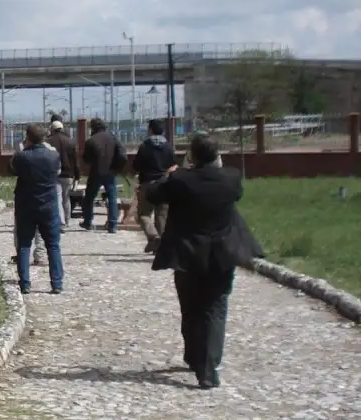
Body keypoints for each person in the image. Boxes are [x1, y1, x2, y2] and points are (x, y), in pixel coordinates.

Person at [143, 133, 264, 389]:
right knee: (216, 308)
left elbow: (153, 194)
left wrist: (171, 174)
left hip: (188, 253)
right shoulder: (231, 178)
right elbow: (236, 195)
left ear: (192, 155)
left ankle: (197, 360)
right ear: (218, 154)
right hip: (222, 252)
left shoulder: (181, 179)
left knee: (190, 307)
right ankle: (208, 365)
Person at [9, 123, 64, 294]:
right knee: (53, 245)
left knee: (25, 245)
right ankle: (57, 283)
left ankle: (25, 283)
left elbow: (11, 169)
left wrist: (24, 149)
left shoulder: (22, 156)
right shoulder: (53, 156)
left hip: (26, 206)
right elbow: (58, 172)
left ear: (28, 137)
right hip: (48, 206)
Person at [132, 118, 178, 253]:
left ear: (150, 130)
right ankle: (162, 246)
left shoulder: (145, 146)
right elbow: (173, 164)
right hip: (165, 183)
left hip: (148, 183)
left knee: (143, 214)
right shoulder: (168, 146)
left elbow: (136, 165)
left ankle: (153, 237)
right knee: (161, 215)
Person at [80, 117, 127, 232]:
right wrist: (117, 167)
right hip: (111, 172)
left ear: (93, 128)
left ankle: (88, 222)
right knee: (112, 198)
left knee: (89, 197)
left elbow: (86, 159)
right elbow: (122, 156)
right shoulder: (113, 138)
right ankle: (112, 225)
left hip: (96, 172)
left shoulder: (91, 141)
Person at [46, 120, 80, 230]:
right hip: (68, 175)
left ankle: (60, 222)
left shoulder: (48, 141)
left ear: (52, 129)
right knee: (66, 198)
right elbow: (76, 160)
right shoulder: (70, 141)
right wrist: (77, 175)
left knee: (56, 198)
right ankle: (67, 220)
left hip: (54, 174)